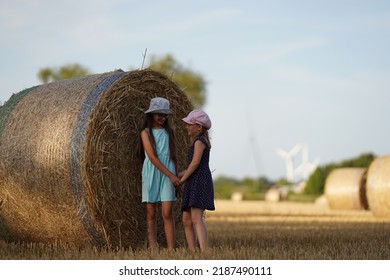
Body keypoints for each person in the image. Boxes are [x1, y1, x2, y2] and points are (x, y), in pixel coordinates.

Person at [138, 97, 181, 251]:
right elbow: (152, 157)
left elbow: (173, 156)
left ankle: (171, 249)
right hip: (152, 171)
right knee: (151, 212)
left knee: (167, 212)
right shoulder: (145, 133)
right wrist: (171, 175)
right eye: (159, 114)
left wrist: (175, 175)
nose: (162, 118)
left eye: (165, 115)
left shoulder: (170, 133)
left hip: (168, 172)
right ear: (151, 115)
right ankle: (153, 248)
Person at [179, 109, 215, 252]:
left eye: (189, 124)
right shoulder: (195, 142)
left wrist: (182, 180)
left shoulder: (200, 142)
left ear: (199, 127)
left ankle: (204, 251)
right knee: (186, 220)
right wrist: (177, 175)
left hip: (199, 181)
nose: (187, 127)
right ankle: (193, 251)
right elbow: (190, 167)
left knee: (196, 218)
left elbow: (194, 164)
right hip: (192, 180)